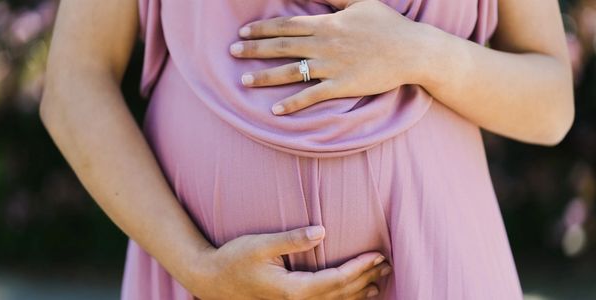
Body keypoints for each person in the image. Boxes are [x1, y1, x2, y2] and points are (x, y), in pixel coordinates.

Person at [39, 0, 574, 299]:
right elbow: (74, 82)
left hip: (432, 266)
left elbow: (550, 105)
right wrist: (198, 267)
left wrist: (421, 53)